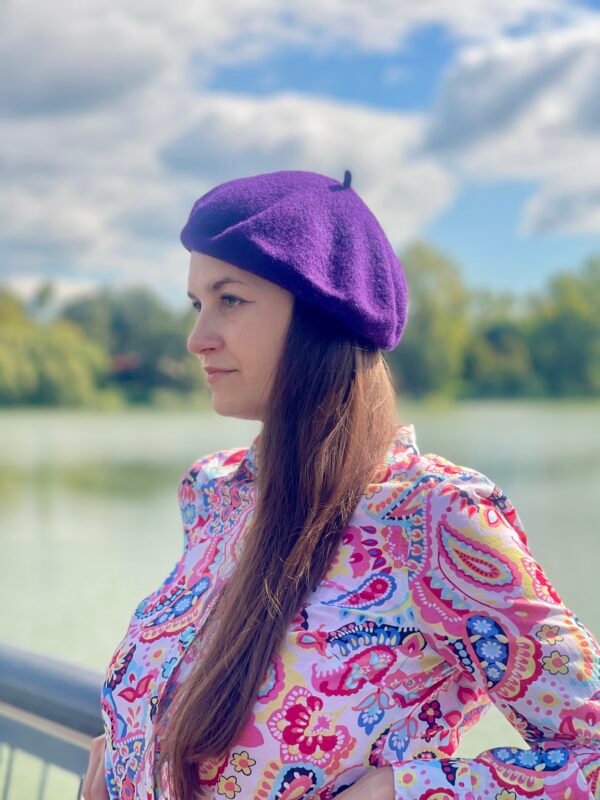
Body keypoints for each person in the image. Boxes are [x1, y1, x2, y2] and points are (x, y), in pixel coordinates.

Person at [84, 170, 600, 800]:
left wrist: (404, 791)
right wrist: (132, 742)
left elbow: (589, 753)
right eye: (197, 304)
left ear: (322, 315)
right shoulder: (215, 493)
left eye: (231, 300)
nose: (197, 339)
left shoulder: (432, 517)